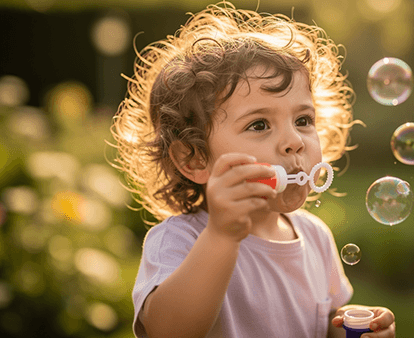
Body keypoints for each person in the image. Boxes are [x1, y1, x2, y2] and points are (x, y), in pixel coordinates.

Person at [110, 2, 396, 337]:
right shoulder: (180, 241)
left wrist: (351, 327)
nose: (294, 141)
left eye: (303, 120)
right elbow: (169, 331)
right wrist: (221, 235)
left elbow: (322, 321)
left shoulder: (316, 236)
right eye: (259, 125)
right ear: (194, 159)